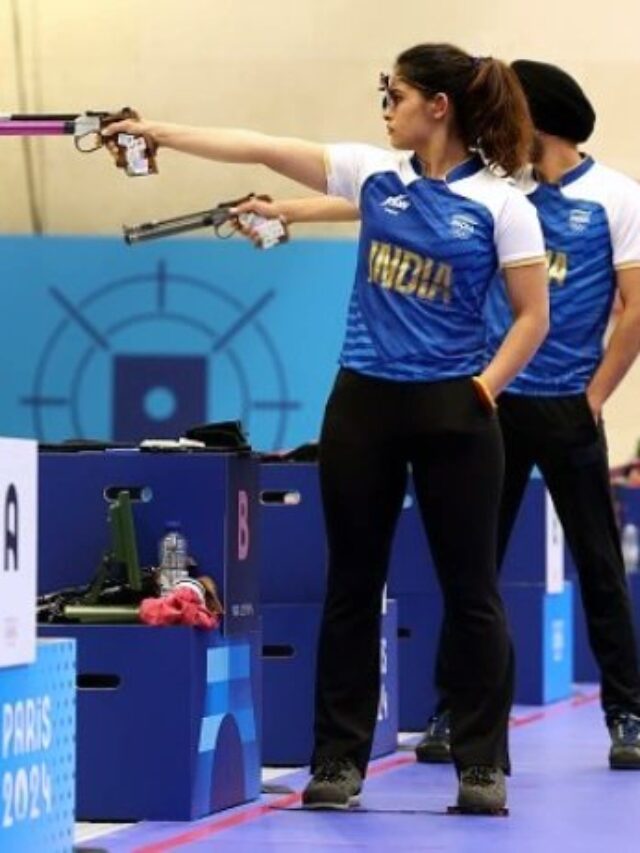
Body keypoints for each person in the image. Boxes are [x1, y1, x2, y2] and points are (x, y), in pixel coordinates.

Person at [103, 43, 549, 812]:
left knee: (472, 591)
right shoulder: (374, 176)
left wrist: (483, 388)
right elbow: (262, 147)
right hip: (364, 404)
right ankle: (338, 761)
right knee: (351, 585)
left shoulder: (505, 204)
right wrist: (161, 133)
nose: (385, 106)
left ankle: (481, 764)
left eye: (396, 93)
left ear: (437, 107)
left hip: (457, 410)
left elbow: (531, 317)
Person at [239, 59, 640, 774]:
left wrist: (597, 394)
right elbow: (377, 201)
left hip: (568, 403)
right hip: (492, 401)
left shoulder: (611, 197)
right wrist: (291, 210)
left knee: (598, 566)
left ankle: (627, 710)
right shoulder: (499, 187)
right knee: (471, 564)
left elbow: (631, 307)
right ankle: (453, 711)